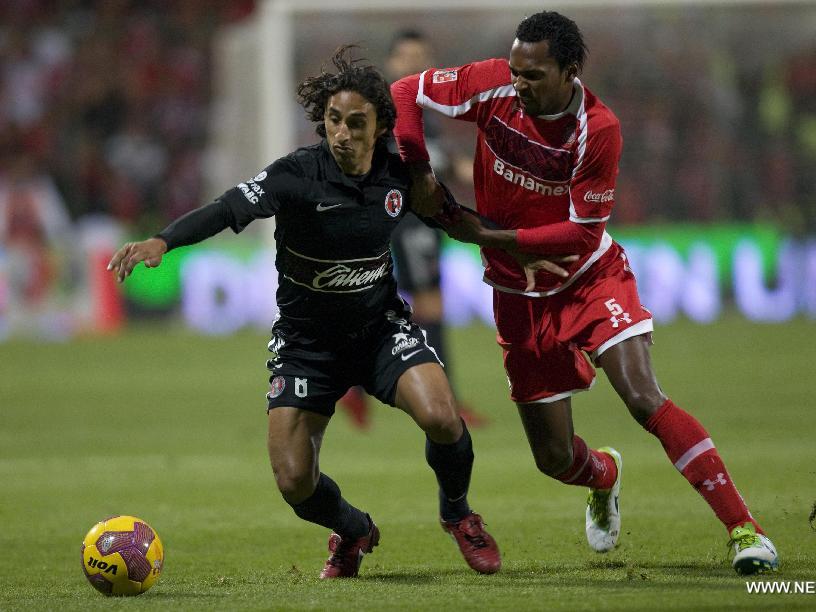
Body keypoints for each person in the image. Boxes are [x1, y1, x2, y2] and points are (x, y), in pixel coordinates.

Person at [391, 11, 779, 575]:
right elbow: (405, 91)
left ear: (570, 71)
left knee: (644, 397)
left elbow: (581, 234)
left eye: (533, 75)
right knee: (553, 459)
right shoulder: (493, 80)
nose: (518, 83)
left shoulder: (598, 129)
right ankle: (604, 475)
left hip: (588, 280)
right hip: (518, 298)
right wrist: (419, 169)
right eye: (516, 70)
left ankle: (745, 529)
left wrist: (482, 233)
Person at [107, 46, 501, 579]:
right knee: (294, 481)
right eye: (333, 120)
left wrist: (516, 244)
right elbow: (227, 208)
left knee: (441, 416)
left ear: (380, 125)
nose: (341, 133)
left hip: (380, 331)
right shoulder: (296, 175)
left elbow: (452, 219)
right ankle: (354, 529)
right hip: (305, 344)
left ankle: (458, 514)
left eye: (355, 123)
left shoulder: (400, 175)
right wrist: (163, 241)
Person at [337, 29, 487, 430]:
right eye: (406, 57)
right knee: (429, 304)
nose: (415, 64)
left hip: (417, 215)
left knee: (382, 302)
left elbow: (432, 159)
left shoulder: (421, 110)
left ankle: (353, 386)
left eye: (422, 56)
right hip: (405, 217)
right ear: (391, 63)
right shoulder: (385, 110)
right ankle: (445, 402)